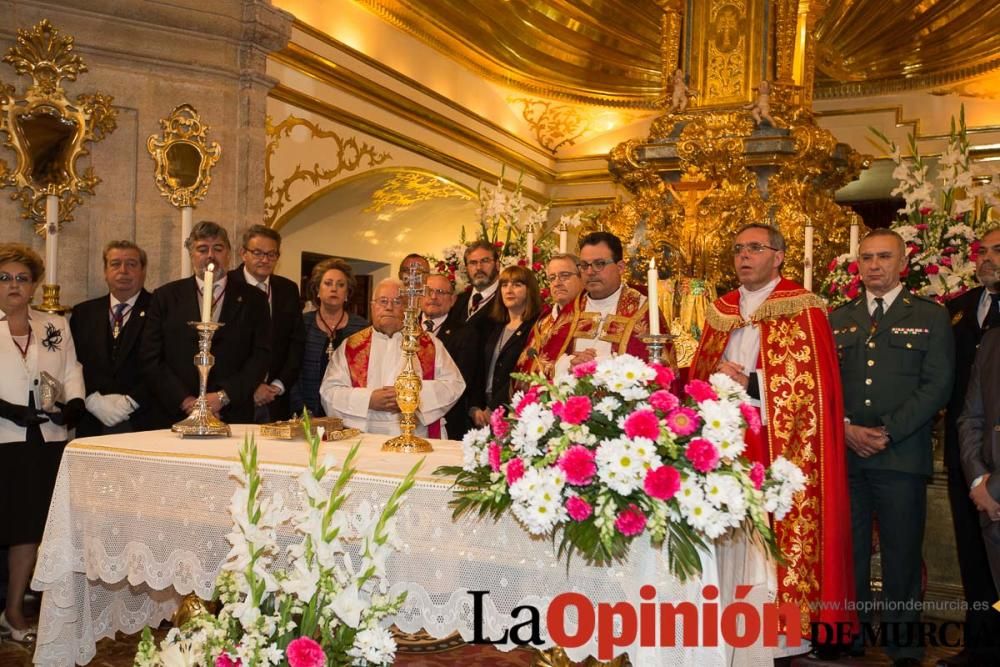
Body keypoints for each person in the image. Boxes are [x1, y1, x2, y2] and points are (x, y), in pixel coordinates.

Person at [690, 223, 855, 649]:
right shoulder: (721, 309)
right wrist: (712, 380)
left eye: (755, 248)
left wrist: (747, 384)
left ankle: (784, 633)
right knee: (727, 537)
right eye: (738, 249)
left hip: (781, 443)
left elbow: (813, 387)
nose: (744, 256)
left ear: (778, 256)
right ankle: (726, 623)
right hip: (727, 440)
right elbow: (698, 374)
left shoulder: (802, 307)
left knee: (773, 535)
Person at [830, 228, 954, 666]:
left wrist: (886, 431)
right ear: (857, 264)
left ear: (903, 262)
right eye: (866, 258)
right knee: (851, 550)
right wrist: (844, 428)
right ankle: (854, 636)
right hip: (847, 454)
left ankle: (904, 645)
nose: (874, 265)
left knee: (902, 552)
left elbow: (937, 385)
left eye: (884, 257)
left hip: (900, 453)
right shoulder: (839, 318)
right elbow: (826, 384)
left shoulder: (930, 316)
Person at [0, 243, 85, 642]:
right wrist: (5, 409)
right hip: (3, 436)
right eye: (4, 278)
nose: (14, 285)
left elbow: (70, 370)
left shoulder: (55, 325)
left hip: (43, 439)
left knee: (27, 528)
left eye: (21, 278)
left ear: (33, 286)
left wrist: (76, 405)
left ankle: (14, 610)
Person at [140, 221, 272, 427]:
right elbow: (151, 357)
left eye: (218, 248)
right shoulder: (165, 297)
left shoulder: (254, 299)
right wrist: (187, 402)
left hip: (232, 414)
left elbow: (261, 356)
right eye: (202, 249)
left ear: (228, 253)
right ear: (191, 255)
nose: (210, 255)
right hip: (174, 414)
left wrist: (222, 397)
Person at [940, 227, 1000, 666]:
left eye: (997, 250)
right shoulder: (957, 310)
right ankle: (981, 644)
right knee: (974, 550)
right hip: (968, 451)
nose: (986, 258)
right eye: (982, 251)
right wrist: (974, 465)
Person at [320, 278, 465, 437]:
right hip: (365, 435)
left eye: (397, 302)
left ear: (406, 307)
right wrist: (368, 400)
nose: (389, 307)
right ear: (372, 306)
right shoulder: (351, 347)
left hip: (416, 435)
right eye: (383, 301)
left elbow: (454, 385)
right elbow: (329, 392)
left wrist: (410, 397)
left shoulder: (429, 344)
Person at [71, 240, 158, 436]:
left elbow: (166, 363)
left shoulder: (160, 310)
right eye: (115, 264)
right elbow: (71, 363)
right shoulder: (84, 312)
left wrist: (132, 401)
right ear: (105, 271)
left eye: (131, 264)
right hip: (92, 421)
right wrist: (90, 399)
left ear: (143, 271)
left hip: (144, 421)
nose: (123, 271)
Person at [553, 232, 668, 376]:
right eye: (584, 265)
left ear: (620, 267)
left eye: (599, 264)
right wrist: (570, 363)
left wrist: (598, 365)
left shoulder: (642, 309)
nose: (590, 272)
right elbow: (544, 364)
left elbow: (660, 369)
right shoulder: (571, 312)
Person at [227, 225, 305, 422]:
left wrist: (278, 385)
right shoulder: (226, 286)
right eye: (258, 253)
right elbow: (222, 347)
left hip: (276, 399)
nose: (265, 259)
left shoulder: (288, 289)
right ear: (243, 253)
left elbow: (296, 343)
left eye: (271, 254)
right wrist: (251, 386)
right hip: (234, 400)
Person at [290, 258, 368, 417]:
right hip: (305, 411)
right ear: (317, 290)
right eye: (328, 283)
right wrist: (300, 408)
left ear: (347, 293)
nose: (334, 289)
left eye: (340, 285)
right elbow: (292, 370)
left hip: (347, 412)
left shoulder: (362, 327)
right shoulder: (302, 323)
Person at [468, 265, 542, 427]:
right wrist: (475, 407)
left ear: (530, 290)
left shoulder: (535, 328)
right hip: (484, 409)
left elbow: (521, 373)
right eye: (504, 285)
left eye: (517, 284)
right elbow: (480, 369)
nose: (509, 290)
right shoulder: (494, 326)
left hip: (514, 411)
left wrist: (494, 408)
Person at [441, 240, 500, 437]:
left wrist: (486, 404)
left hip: (485, 405)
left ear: (497, 264)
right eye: (473, 263)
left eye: (485, 261)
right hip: (453, 403)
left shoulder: (507, 301)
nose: (479, 268)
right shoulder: (459, 302)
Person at [959, 327, 1000, 594]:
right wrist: (978, 478)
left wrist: (993, 489)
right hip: (992, 511)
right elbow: (972, 418)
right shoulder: (992, 339)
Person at [516, 253, 584, 380]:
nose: (557, 283)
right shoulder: (542, 321)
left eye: (564, 276)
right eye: (552, 278)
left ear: (582, 277)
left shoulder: (588, 318)